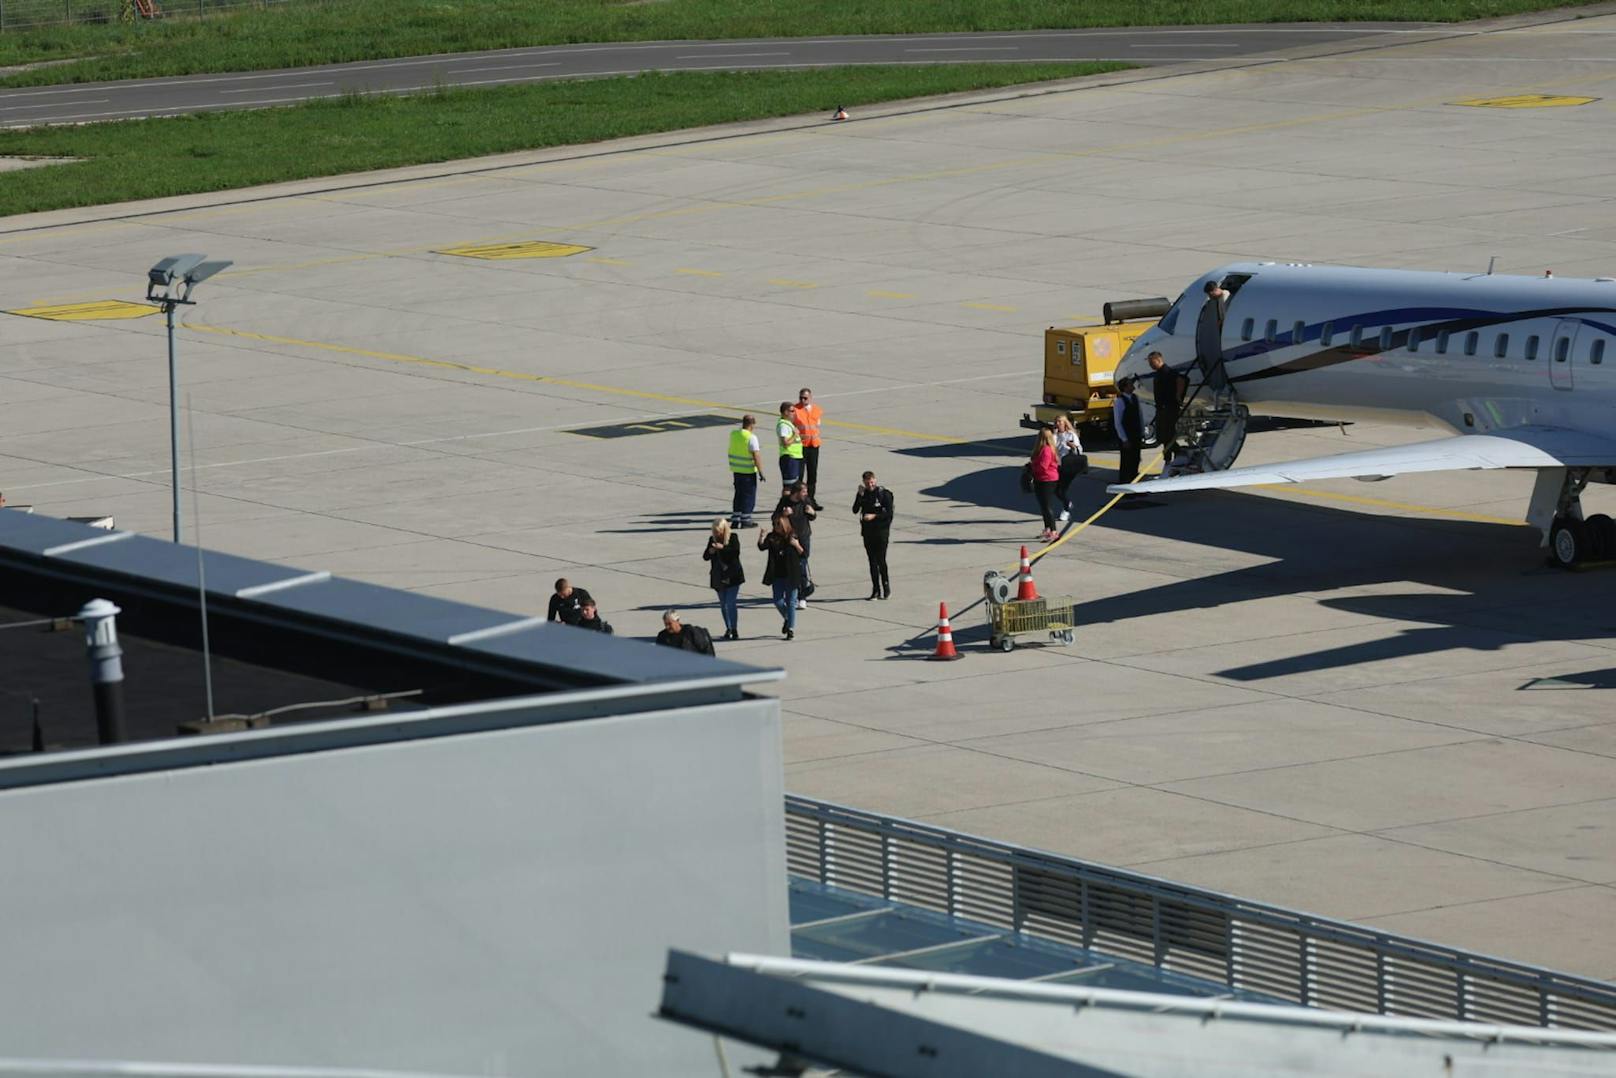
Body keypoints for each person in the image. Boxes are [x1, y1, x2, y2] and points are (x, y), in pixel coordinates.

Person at [758, 514, 805, 640]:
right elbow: (762, 547)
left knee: (791, 602)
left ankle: (790, 629)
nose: (775, 526)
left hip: (791, 574)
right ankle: (788, 618)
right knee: (777, 600)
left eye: (777, 524)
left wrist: (796, 545)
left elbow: (803, 554)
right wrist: (761, 537)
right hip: (777, 574)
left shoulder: (792, 536)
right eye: (774, 524)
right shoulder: (772, 537)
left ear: (784, 525)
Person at [852, 470, 894, 600]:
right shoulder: (863, 494)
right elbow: (855, 510)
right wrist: (859, 496)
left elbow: (889, 514)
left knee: (881, 560)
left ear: (875, 480)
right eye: (867, 482)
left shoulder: (883, 494)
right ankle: (875, 589)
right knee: (872, 561)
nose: (870, 484)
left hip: (881, 532)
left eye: (871, 482)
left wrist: (874, 516)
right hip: (868, 532)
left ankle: (886, 586)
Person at [774, 481, 816, 609]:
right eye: (803, 492)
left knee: (802, 565)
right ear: (796, 493)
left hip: (803, 537)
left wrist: (812, 512)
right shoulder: (785, 502)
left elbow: (813, 517)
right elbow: (774, 517)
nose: (806, 494)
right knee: (791, 567)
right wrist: (783, 514)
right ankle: (793, 594)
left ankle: (802, 596)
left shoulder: (805, 501)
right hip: (788, 538)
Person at [703, 517, 745, 640]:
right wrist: (711, 551)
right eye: (715, 531)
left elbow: (735, 553)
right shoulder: (712, 539)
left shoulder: (733, 537)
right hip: (718, 576)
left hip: (732, 575)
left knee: (730, 603)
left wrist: (722, 548)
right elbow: (705, 556)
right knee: (723, 604)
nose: (717, 534)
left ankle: (734, 628)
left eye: (719, 531)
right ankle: (728, 628)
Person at [1148, 351, 1188, 467]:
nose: (1150, 365)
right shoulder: (1158, 373)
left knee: (1168, 435)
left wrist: (1178, 396)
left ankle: (1174, 456)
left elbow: (1181, 380)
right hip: (1161, 409)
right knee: (1161, 436)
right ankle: (1171, 457)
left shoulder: (1167, 371)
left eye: (1152, 362)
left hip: (1169, 408)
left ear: (1159, 360)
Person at [727, 414, 766, 528]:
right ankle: (746, 519)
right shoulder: (751, 437)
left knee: (738, 494)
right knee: (748, 496)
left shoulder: (734, 434)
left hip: (736, 470)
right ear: (752, 424)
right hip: (748, 472)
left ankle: (735, 519)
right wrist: (761, 471)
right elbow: (756, 455)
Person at [790, 387, 825, 509]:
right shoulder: (795, 410)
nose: (802, 400)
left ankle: (810, 500)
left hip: (814, 445)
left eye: (805, 398)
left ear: (810, 398)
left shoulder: (817, 410)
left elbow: (817, 425)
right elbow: (792, 426)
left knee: (812, 473)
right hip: (801, 446)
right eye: (801, 398)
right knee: (799, 474)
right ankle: (798, 500)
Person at [1029, 426, 1061, 541]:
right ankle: (1047, 528)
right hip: (1042, 479)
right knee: (1043, 506)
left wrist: (1032, 467)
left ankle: (1054, 531)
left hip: (1047, 480)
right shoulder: (1044, 449)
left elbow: (1043, 466)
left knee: (1047, 507)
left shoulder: (1046, 450)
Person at [1052, 414, 1085, 524]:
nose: (1057, 424)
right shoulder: (1054, 436)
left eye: (1060, 422)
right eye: (1056, 422)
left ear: (1065, 423)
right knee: (1056, 490)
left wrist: (1073, 447)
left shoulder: (1071, 435)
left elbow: (1080, 450)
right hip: (1058, 466)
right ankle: (1067, 503)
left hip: (1069, 467)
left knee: (1062, 490)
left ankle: (1066, 511)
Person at [1112, 376, 1145, 487]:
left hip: (1136, 435)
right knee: (1127, 462)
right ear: (1125, 387)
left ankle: (1134, 485)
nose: (1133, 386)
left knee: (1135, 461)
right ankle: (1125, 485)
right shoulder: (1120, 401)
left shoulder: (1135, 398)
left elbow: (1140, 415)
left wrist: (1142, 432)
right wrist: (1124, 439)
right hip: (1127, 436)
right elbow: (1118, 422)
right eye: (1130, 384)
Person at [1196, 279, 1230, 373]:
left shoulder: (1226, 297)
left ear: (1215, 290)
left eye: (1210, 294)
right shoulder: (1216, 300)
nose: (1210, 297)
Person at [776, 402, 804, 494]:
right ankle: (785, 505)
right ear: (785, 412)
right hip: (789, 458)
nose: (794, 413)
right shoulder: (783, 425)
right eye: (792, 411)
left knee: (795, 485)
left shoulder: (789, 424)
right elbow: (785, 443)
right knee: (789, 486)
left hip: (795, 458)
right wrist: (795, 435)